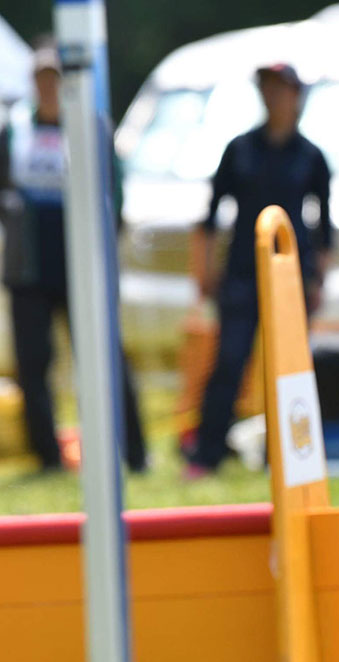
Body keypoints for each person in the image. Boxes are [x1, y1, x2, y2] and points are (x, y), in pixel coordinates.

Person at [0, 40, 146, 472]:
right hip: (29, 266)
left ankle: (133, 452)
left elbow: (114, 193)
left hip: (81, 264)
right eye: (41, 79)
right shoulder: (14, 130)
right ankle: (46, 455)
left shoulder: (90, 126)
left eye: (55, 78)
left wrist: (103, 247)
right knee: (33, 363)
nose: (48, 87)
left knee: (104, 357)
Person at [185, 63, 332, 477]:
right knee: (230, 361)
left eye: (282, 89)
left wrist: (318, 277)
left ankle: (287, 456)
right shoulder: (239, 149)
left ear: (297, 97)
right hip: (241, 273)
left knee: (291, 367)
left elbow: (323, 224)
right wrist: (203, 269)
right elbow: (211, 214)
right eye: (267, 88)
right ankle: (206, 455)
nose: (274, 97)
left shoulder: (311, 156)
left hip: (291, 274)